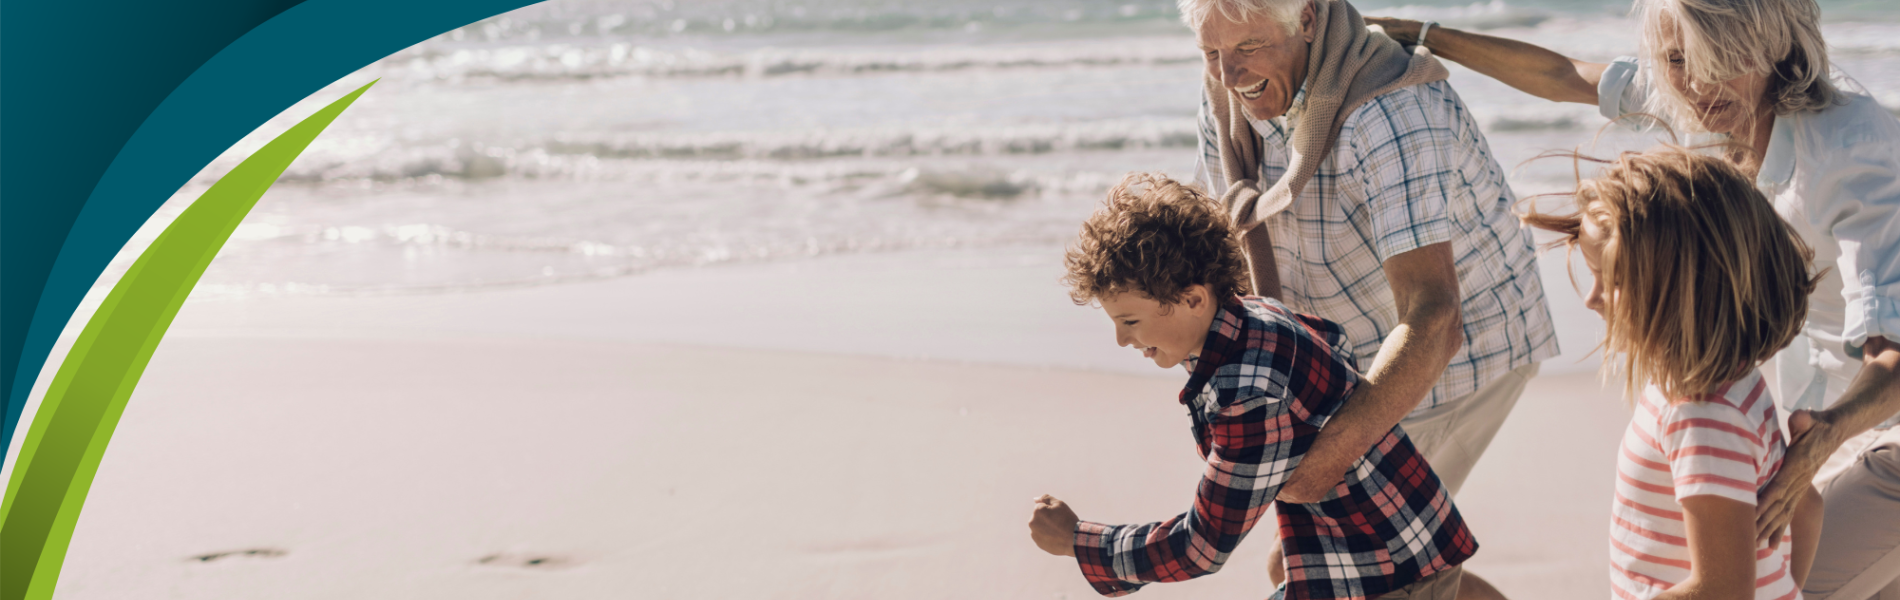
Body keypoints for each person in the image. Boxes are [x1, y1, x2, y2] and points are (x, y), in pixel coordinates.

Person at [1369, 0, 1900, 595]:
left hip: (1876, 429)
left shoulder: (1854, 149)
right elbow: (1568, 75)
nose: (1696, 85)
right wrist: (1425, 35)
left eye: (1718, 60)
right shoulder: (1706, 95)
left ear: (1773, 43)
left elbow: (1896, 352)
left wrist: (1827, 434)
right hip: (1808, 423)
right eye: (1676, 60)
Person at [1183, 1, 1557, 597]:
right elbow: (1234, 257)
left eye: (1248, 46)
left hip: (1460, 355)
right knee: (1327, 565)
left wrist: (1325, 459)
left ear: (1305, 20)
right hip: (1353, 351)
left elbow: (1435, 317)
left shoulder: (1388, 107)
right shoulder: (1230, 92)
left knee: (1345, 571)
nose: (1228, 74)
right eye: (1211, 52)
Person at [1028, 172, 1476, 600]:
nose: (1122, 339)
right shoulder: (1253, 314)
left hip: (1388, 572)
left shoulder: (1248, 395)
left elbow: (1201, 548)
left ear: (1192, 299)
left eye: (1130, 321)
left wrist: (1078, 540)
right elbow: (1336, 342)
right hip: (1376, 547)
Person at [1522, 145, 1825, 598]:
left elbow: (1721, 589)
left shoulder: (1702, 415)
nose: (1592, 298)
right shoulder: (1729, 381)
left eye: (1615, 282)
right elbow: (1809, 507)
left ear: (1688, 287)